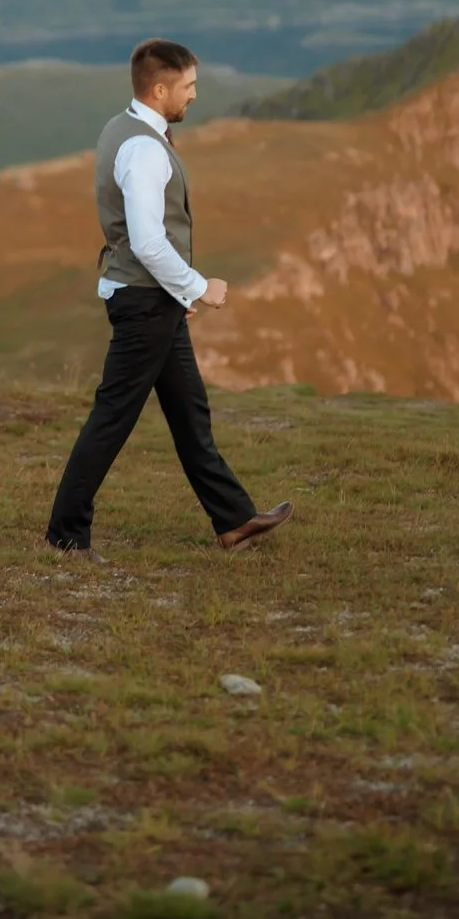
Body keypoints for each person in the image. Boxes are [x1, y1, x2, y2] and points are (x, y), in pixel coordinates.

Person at [45, 38, 292, 560]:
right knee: (112, 418)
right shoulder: (142, 150)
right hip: (143, 302)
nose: (195, 96)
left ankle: (234, 520)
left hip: (151, 299)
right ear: (160, 90)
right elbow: (147, 241)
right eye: (189, 87)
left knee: (189, 411)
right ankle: (66, 535)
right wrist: (201, 287)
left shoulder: (124, 127)